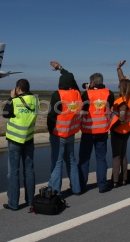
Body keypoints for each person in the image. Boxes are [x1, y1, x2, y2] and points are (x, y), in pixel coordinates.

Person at [78, 72, 117, 193]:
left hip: (88, 130)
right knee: (101, 159)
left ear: (92, 82)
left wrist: (88, 90)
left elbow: (82, 107)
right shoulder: (109, 93)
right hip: (103, 130)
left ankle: (81, 185)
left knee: (84, 159)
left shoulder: (87, 93)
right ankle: (102, 185)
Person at [2, 79, 39, 211]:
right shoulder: (35, 100)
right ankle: (30, 200)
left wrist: (10, 98)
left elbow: (5, 114)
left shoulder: (15, 101)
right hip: (28, 139)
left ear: (18, 89)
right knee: (29, 171)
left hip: (14, 140)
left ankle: (13, 203)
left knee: (13, 172)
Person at [47, 61, 82, 196]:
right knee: (71, 161)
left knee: (57, 162)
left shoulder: (58, 94)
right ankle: (76, 188)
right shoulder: (77, 94)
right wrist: (61, 69)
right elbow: (71, 78)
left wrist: (50, 130)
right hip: (71, 133)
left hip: (58, 133)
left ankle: (55, 191)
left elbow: (51, 115)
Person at [111, 60, 130, 187]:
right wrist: (119, 69)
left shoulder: (122, 101)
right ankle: (124, 178)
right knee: (123, 154)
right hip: (127, 129)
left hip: (118, 130)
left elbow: (121, 118)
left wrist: (112, 127)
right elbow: (123, 81)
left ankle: (115, 180)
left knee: (116, 156)